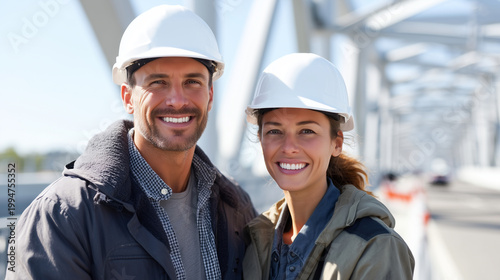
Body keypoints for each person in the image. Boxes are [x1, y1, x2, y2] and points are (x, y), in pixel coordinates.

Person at [8, 5, 257, 280]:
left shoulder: (235, 206)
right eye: (158, 82)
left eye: (192, 82)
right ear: (128, 97)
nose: (177, 100)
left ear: (210, 96)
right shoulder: (62, 216)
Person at [242, 53, 414, 279]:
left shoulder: (375, 246)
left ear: (336, 143)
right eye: (274, 131)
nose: (289, 147)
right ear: (260, 139)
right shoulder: (256, 237)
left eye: (307, 131)